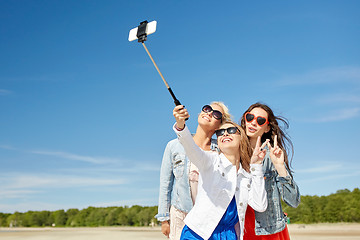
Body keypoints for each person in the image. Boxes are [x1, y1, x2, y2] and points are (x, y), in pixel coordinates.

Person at [172, 105, 268, 240]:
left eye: (231, 130)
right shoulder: (211, 160)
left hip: (229, 235)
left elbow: (260, 205)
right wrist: (181, 125)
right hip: (197, 232)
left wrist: (257, 166)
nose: (225, 134)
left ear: (241, 138)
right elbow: (192, 149)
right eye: (220, 132)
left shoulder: (246, 176)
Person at [155, 102, 232, 240]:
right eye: (207, 108)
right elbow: (165, 184)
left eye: (216, 114)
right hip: (180, 215)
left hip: (209, 217)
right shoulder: (173, 146)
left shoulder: (222, 150)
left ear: (219, 125)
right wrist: (164, 219)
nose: (208, 113)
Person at [240, 103, 301, 240]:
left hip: (268, 230)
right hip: (239, 228)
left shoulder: (272, 156)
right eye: (250, 117)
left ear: (267, 127)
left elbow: (294, 201)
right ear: (245, 120)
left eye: (260, 120)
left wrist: (280, 166)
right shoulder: (233, 153)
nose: (254, 122)